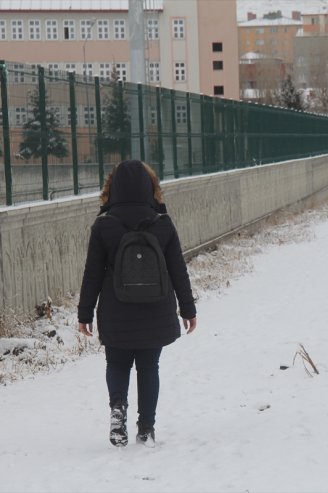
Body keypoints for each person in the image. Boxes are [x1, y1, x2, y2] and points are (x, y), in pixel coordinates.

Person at [78, 159, 197, 448]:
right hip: (155, 308)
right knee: (148, 367)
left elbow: (92, 273)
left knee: (117, 364)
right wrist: (188, 309)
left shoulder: (104, 225)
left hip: (115, 308)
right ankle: (146, 428)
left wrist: (85, 313)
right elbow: (177, 269)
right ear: (151, 187)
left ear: (112, 188)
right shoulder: (163, 223)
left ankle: (118, 407)